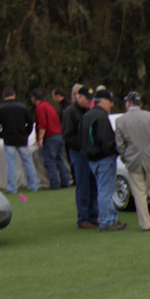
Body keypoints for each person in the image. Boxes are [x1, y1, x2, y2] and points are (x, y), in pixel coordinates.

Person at [114, 91, 150, 231]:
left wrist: (125, 158)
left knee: (139, 193)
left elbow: (120, 145)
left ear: (128, 104)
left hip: (133, 160)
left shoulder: (121, 121)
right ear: (140, 103)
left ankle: (145, 224)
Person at [82, 88, 124, 231]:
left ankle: (109, 218)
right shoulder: (101, 117)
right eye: (110, 102)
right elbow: (106, 139)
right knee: (106, 191)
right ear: (103, 101)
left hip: (91, 159)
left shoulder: (87, 116)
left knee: (102, 190)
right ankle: (107, 221)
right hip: (103, 158)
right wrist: (114, 151)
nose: (111, 105)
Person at [0, 86, 39, 194]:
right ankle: (33, 185)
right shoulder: (22, 107)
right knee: (28, 162)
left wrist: (1, 134)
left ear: (4, 96)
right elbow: (30, 122)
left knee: (11, 164)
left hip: (8, 139)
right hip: (22, 138)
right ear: (14, 95)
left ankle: (12, 187)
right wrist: (26, 133)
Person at [63, 85, 98, 228]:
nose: (89, 102)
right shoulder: (70, 112)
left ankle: (93, 215)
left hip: (91, 153)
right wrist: (83, 145)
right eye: (86, 99)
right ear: (79, 97)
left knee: (93, 184)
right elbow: (67, 135)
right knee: (83, 184)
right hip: (78, 153)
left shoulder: (90, 111)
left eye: (90, 99)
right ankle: (83, 219)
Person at [34, 88, 70, 189]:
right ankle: (65, 181)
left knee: (50, 160)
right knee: (59, 159)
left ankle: (54, 183)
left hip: (50, 137)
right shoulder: (50, 106)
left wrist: (40, 138)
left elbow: (42, 125)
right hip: (59, 135)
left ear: (34, 98)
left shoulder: (40, 108)